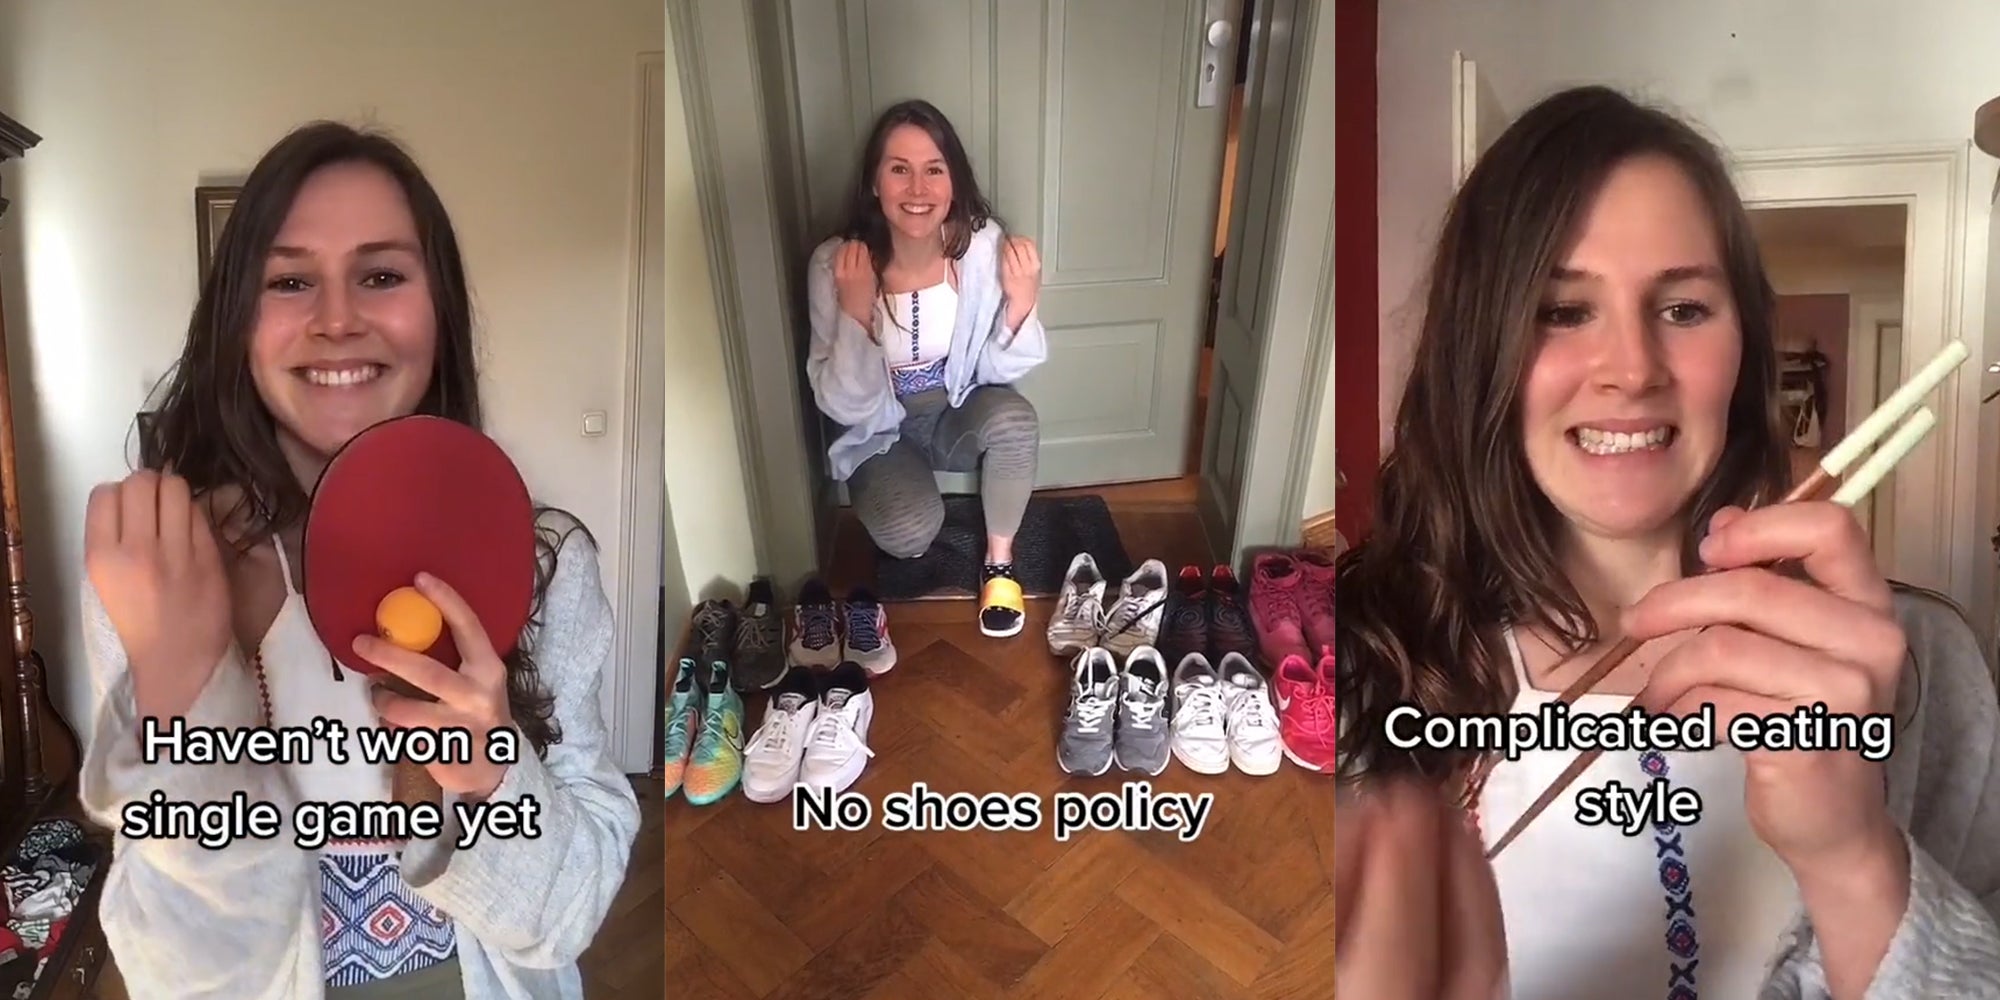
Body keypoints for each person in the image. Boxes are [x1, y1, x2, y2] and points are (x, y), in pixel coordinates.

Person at [1334, 85, 2000, 997]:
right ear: (1478, 350)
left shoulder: (1920, 665)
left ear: (1744, 346)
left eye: (1684, 309)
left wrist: (1857, 861)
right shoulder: (1360, 649)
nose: (1633, 371)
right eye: (1563, 310)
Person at [77, 122, 641, 999]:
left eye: (381, 275)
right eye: (289, 281)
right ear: (237, 319)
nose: (337, 319)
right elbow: (181, 974)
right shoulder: (161, 571)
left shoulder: (543, 564)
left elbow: (569, 917)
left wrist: (491, 776)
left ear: (438, 308)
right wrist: (188, 694)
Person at [805, 98, 1047, 638]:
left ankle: (999, 564)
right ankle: (913, 496)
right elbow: (841, 404)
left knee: (1015, 420)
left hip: (954, 409)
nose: (918, 189)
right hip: (879, 429)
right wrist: (855, 314)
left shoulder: (980, 248)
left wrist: (1021, 302)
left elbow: (998, 371)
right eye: (899, 169)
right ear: (874, 182)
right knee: (909, 537)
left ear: (954, 180)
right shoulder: (833, 263)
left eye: (934, 170)